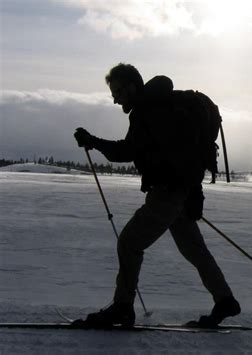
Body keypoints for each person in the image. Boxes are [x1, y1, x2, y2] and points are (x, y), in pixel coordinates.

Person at [73, 63, 240, 328]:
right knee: (194, 250)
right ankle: (224, 300)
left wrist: (93, 141)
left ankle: (123, 307)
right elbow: (178, 152)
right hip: (179, 192)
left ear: (131, 86)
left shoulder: (150, 110)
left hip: (168, 193)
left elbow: (129, 151)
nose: (115, 99)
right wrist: (193, 194)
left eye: (117, 92)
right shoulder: (158, 106)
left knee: (129, 243)